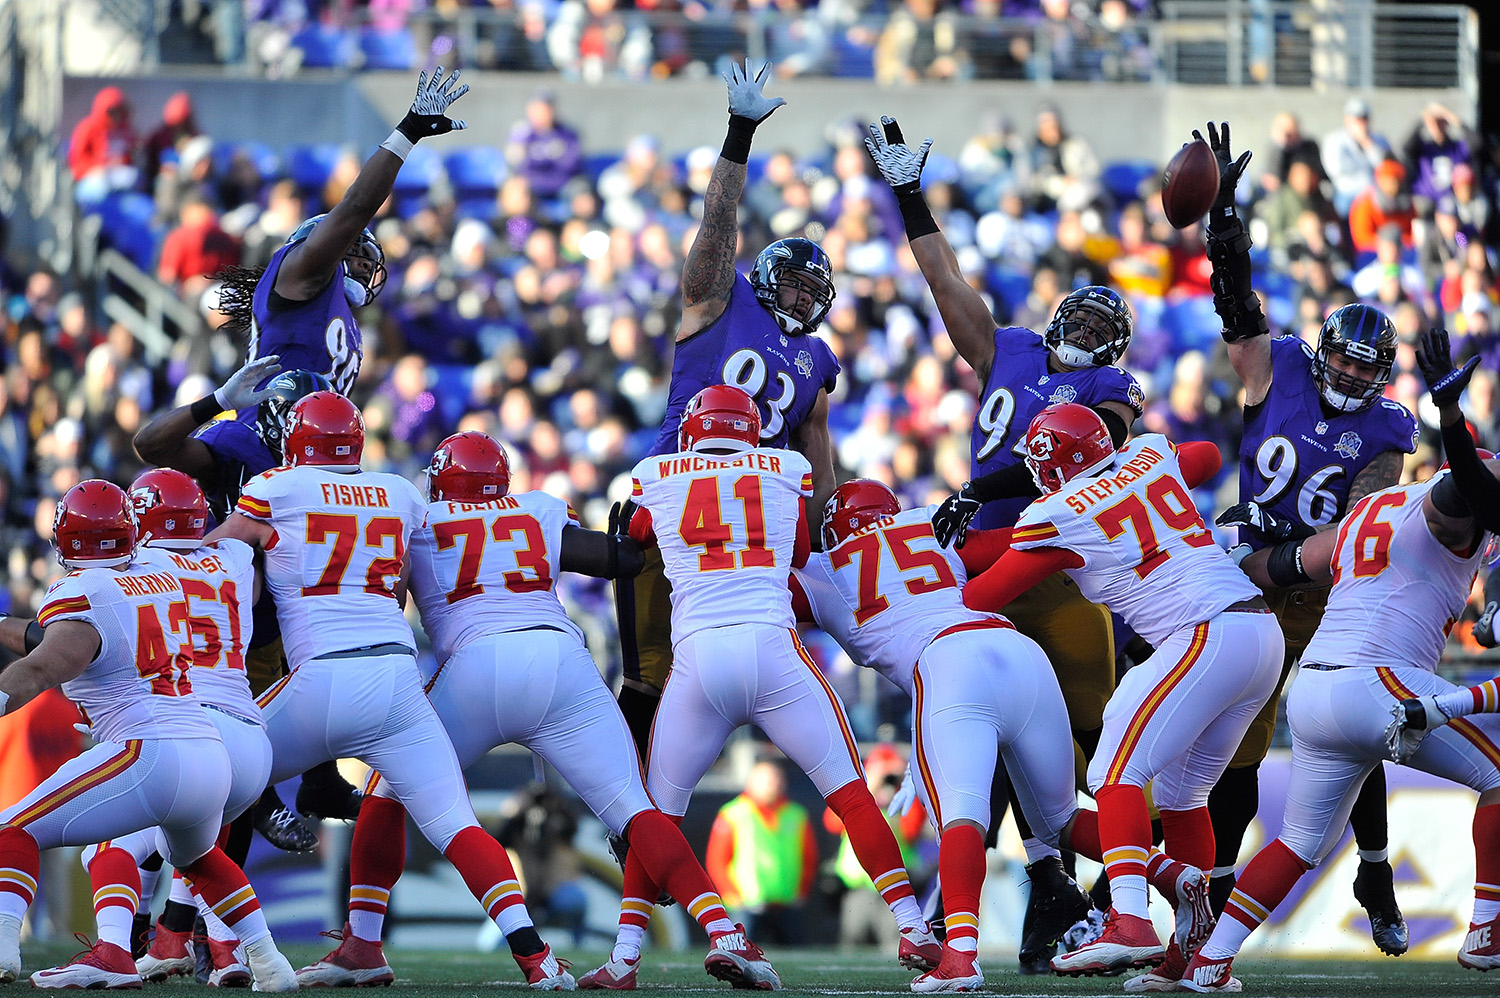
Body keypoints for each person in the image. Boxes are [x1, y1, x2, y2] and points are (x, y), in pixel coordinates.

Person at [300, 430, 778, 992]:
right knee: (634, 809)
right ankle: (726, 934)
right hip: (559, 664)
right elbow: (619, 559)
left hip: (474, 669)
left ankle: (364, 942)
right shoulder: (538, 509)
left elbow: (382, 595)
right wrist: (647, 527)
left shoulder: (420, 522)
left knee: (389, 789)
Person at [865, 113, 1144, 973]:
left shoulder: (1111, 387)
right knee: (973, 752)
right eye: (1083, 322)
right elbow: (946, 281)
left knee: (1100, 740)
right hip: (980, 565)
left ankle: (1122, 891)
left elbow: (1095, 443)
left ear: (1118, 349)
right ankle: (1027, 892)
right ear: (1056, 315)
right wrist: (910, 195)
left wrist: (980, 487)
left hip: (1056, 563)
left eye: (1106, 331)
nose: (1090, 338)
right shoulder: (1008, 349)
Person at [205, 392, 572, 989]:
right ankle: (539, 961)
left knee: (213, 772)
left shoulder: (277, 487)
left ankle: (212, 943)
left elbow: (216, 554)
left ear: (298, 442)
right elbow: (402, 579)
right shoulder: (399, 493)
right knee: (457, 824)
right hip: (399, 681)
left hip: (322, 678)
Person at [794, 478, 1212, 992]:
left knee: (962, 815)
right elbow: (1021, 541)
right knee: (1061, 819)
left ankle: (961, 957)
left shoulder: (822, 569)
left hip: (949, 665)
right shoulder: (931, 523)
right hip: (1021, 654)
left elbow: (741, 584)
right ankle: (1175, 876)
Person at [1180, 327, 1500, 990]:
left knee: (1298, 845)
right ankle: (1487, 927)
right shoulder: (1447, 504)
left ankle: (1207, 962)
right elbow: (1469, 492)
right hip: (1376, 682)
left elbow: (1284, 565)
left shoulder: (1370, 510)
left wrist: (1230, 552)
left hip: (1317, 696)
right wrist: (1450, 413)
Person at [618, 384, 940, 972]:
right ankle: (914, 927)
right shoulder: (786, 466)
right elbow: (795, 553)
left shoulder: (655, 472)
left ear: (692, 431)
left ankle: (624, 958)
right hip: (772, 648)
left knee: (655, 815)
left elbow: (633, 536)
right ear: (752, 431)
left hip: (698, 656)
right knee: (851, 796)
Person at [960, 405, 1283, 987]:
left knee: (1115, 772)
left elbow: (983, 594)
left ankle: (1129, 920)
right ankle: (1196, 955)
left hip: (1203, 632)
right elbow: (1206, 457)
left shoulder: (1057, 512)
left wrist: (924, 564)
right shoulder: (1149, 453)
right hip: (1259, 634)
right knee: (1186, 795)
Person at [1195, 121, 1418, 955]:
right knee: (1237, 748)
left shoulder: (1391, 431)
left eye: (1371, 366)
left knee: (1347, 724)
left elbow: (1359, 527)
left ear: (1384, 374)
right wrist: (1225, 228)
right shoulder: (1278, 364)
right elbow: (1238, 312)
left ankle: (1377, 870)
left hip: (1321, 587)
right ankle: (1209, 899)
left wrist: (1267, 544)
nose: (1355, 374)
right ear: (1324, 353)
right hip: (1251, 586)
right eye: (1348, 360)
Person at [616, 62, 840, 770]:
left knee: (742, 672)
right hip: (682, 495)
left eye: (815, 293)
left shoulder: (816, 360)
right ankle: (630, 804)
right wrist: (738, 135)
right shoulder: (719, 300)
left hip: (752, 522)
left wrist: (822, 530)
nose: (802, 303)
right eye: (794, 287)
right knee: (649, 672)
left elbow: (817, 448)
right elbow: (716, 224)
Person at [0, 480, 297, 991]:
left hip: (147, 749)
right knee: (198, 857)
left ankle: (6, 949)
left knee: (13, 830)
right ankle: (270, 963)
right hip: (209, 749)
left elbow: (41, 667)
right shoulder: (164, 580)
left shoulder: (81, 590)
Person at [134, 360, 349, 852]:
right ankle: (185, 918)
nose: (320, 444)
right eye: (308, 430)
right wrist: (216, 401)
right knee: (233, 764)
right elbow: (151, 447)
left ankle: (317, 781)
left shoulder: (328, 463)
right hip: (230, 620)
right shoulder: (240, 447)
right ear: (277, 425)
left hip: (288, 614)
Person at [76, 469, 268, 987]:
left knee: (107, 846)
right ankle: (219, 950)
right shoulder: (234, 557)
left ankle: (116, 948)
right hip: (250, 732)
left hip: (187, 723)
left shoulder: (140, 567)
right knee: (200, 845)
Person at [213, 67, 469, 395]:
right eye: (355, 253)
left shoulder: (339, 309)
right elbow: (356, 207)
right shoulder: (300, 269)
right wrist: (409, 132)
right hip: (263, 436)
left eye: (366, 259)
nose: (364, 266)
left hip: (307, 436)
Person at [705, 762, 817, 946]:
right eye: (767, 780)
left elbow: (809, 858)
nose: (774, 785)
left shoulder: (796, 815)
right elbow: (717, 861)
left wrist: (801, 892)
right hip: (747, 906)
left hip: (786, 904)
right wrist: (732, 895)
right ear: (751, 782)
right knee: (742, 955)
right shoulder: (733, 813)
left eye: (777, 779)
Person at [505, 90, 583, 200]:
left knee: (581, 192)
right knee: (514, 189)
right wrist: (548, 159)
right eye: (536, 109)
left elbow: (570, 166)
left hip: (562, 185)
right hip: (531, 186)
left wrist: (537, 160)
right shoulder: (521, 133)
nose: (541, 114)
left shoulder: (568, 134)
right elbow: (516, 165)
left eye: (545, 109)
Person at [1322, 97, 1392, 216]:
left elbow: (1385, 167)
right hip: (1347, 194)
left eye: (1364, 118)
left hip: (1375, 195)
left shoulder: (1378, 140)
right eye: (1357, 119)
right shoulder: (1334, 140)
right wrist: (1362, 163)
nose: (1361, 123)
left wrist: (1367, 143)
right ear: (1347, 119)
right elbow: (1335, 168)